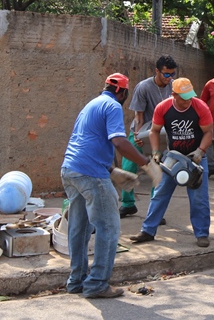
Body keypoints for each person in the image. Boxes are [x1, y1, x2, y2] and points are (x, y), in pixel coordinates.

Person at [60, 73, 160, 299]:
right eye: (126, 94)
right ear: (122, 92)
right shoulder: (113, 106)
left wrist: (112, 170)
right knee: (109, 227)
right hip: (90, 173)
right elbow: (119, 141)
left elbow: (90, 142)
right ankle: (96, 284)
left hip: (70, 169)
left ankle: (76, 281)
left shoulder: (91, 105)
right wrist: (145, 163)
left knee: (79, 226)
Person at [130, 77, 214, 248]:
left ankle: (202, 233)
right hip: (173, 158)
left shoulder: (200, 108)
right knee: (160, 193)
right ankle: (148, 231)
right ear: (174, 95)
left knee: (199, 198)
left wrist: (200, 151)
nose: (187, 101)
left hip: (195, 158)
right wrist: (155, 152)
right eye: (183, 98)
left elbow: (208, 133)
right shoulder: (163, 108)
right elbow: (154, 131)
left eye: (190, 96)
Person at [119, 55, 178, 218]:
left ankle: (155, 210)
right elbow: (139, 117)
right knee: (128, 167)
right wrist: (138, 135)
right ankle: (128, 204)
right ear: (157, 71)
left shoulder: (174, 87)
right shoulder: (143, 87)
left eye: (172, 74)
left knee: (159, 170)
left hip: (161, 135)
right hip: (141, 130)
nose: (169, 78)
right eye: (166, 74)